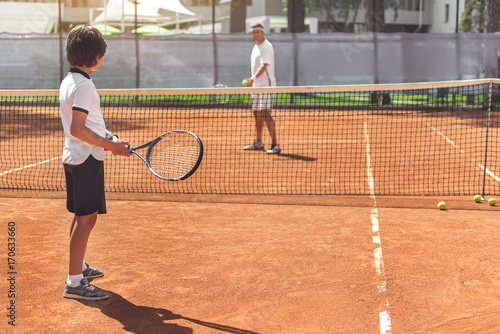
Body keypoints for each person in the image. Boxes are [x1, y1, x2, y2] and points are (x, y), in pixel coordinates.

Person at [60, 25, 132, 300]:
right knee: (87, 220)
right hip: (86, 158)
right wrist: (110, 145)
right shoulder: (85, 85)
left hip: (76, 157)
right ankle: (75, 282)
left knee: (81, 216)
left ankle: (77, 268)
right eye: (103, 54)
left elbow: (85, 124)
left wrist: (110, 136)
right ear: (96, 56)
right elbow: (78, 128)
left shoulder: (70, 80)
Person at [242, 23, 281, 154]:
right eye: (254, 32)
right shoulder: (256, 46)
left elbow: (264, 65)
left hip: (266, 86)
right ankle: (258, 143)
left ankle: (275, 144)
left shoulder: (267, 46)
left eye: (258, 32)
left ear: (263, 33)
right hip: (256, 86)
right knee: (256, 114)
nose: (256, 34)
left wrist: (252, 78)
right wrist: (253, 81)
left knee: (265, 113)